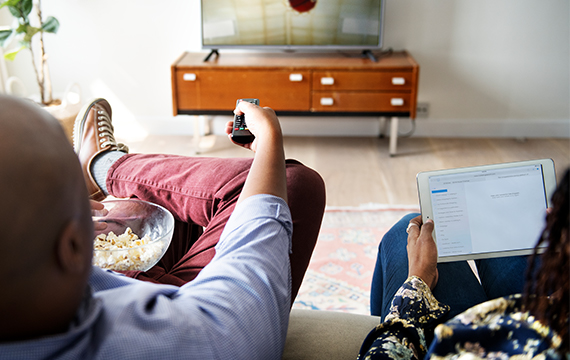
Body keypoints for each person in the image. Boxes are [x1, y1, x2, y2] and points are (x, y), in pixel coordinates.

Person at [0, 95, 325, 359]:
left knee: (169, 213)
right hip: (175, 308)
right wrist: (269, 138)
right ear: (71, 249)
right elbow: (253, 269)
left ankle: (103, 165)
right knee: (294, 181)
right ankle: (104, 164)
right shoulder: (196, 343)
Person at [357, 169, 569, 359]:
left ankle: (382, 324)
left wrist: (417, 281)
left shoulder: (466, 347)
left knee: (407, 228)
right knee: (497, 229)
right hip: (552, 308)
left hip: (511, 327)